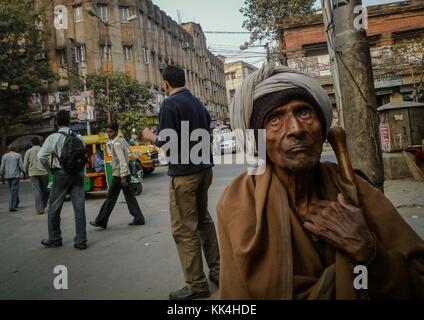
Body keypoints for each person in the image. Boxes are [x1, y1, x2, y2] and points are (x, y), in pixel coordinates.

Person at [217, 62, 424, 299]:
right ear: (257, 139)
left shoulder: (354, 189)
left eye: (304, 112)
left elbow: (418, 280)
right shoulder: (238, 202)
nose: (296, 129)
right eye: (274, 119)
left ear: (322, 124)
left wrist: (368, 250)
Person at [143, 65, 220, 300]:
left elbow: (168, 143)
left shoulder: (170, 103)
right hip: (204, 170)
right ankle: (219, 271)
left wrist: (150, 136)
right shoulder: (197, 103)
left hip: (184, 175)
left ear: (166, 84)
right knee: (204, 221)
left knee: (184, 229)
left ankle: (196, 285)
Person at [38, 110, 87, 250]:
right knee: (79, 209)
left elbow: (41, 157)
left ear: (56, 122)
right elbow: (82, 159)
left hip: (61, 175)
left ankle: (54, 238)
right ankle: (81, 241)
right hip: (77, 176)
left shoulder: (53, 138)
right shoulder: (78, 137)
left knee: (54, 208)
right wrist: (81, 175)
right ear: (69, 122)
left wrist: (51, 169)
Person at [90, 122, 145, 229]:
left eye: (110, 132)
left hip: (119, 175)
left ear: (115, 131)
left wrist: (123, 177)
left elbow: (123, 161)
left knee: (110, 198)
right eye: (107, 132)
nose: (108, 134)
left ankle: (101, 221)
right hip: (124, 174)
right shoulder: (120, 140)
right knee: (129, 197)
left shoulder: (116, 143)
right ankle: (139, 218)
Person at [24, 137, 49, 214]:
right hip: (44, 172)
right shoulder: (43, 149)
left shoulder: (28, 151)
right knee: (44, 190)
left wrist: (25, 172)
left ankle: (39, 208)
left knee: (37, 191)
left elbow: (25, 163)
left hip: (33, 173)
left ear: (32, 143)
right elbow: (47, 160)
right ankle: (43, 206)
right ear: (39, 142)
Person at [0, 145, 24, 212]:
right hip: (15, 175)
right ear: (15, 149)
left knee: (12, 190)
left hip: (7, 175)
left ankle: (16, 203)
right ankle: (12, 206)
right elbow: (21, 166)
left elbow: (2, 166)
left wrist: (1, 174)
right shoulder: (17, 155)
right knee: (14, 190)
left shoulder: (4, 156)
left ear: (8, 149)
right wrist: (24, 172)